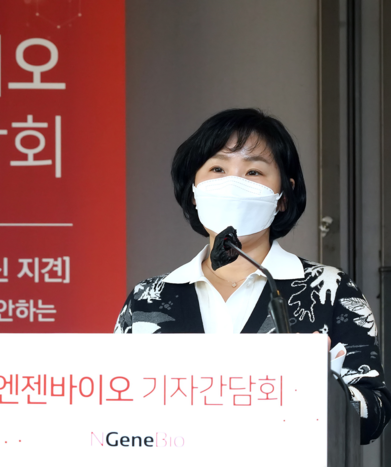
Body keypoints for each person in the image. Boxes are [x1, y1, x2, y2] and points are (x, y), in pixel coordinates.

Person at [114, 108, 390, 444]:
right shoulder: (147, 298)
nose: (233, 184)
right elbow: (115, 407)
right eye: (218, 169)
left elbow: (374, 414)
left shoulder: (330, 290)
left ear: (283, 196)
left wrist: (320, 385)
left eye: (254, 171)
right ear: (193, 191)